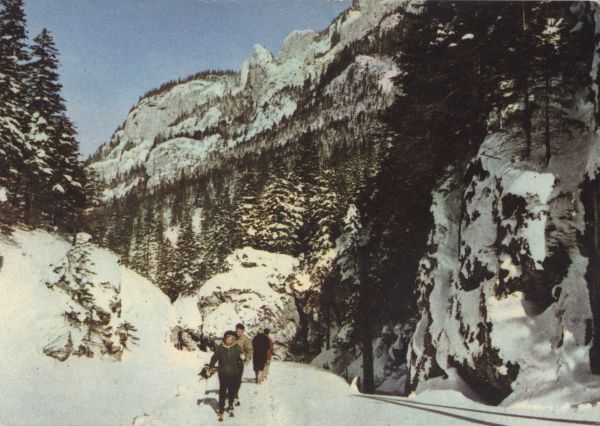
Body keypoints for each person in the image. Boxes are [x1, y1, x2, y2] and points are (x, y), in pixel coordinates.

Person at [208, 330, 244, 421]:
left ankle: (231, 405)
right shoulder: (220, 348)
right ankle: (221, 409)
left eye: (231, 339)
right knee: (222, 392)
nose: (229, 341)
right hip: (223, 373)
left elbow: (241, 356)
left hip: (234, 373)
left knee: (232, 391)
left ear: (233, 339)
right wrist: (211, 366)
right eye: (228, 339)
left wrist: (242, 358)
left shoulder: (237, 347)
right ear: (225, 339)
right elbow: (214, 358)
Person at [233, 323, 252, 405]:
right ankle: (230, 393)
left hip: (239, 361)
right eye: (237, 331)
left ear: (243, 331)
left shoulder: (245, 339)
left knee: (237, 379)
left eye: (240, 332)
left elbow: (250, 350)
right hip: (230, 361)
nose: (238, 333)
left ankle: (235, 395)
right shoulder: (232, 337)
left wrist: (246, 358)